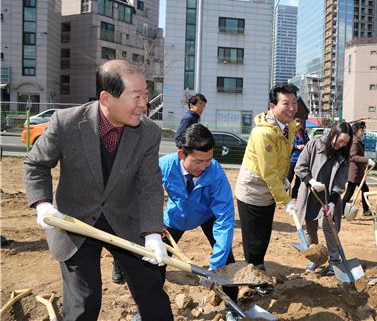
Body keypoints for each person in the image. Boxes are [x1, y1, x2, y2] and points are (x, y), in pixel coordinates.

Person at [24, 59, 172, 321]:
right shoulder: (66, 123)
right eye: (136, 96)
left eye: (146, 96)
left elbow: (149, 184)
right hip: (75, 221)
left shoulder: (149, 132)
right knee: (85, 300)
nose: (143, 104)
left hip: (125, 221)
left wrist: (151, 233)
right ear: (106, 98)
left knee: (151, 291)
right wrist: (42, 204)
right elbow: (36, 164)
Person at [160, 123, 238, 320]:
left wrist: (215, 263)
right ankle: (147, 309)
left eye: (208, 160)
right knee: (155, 260)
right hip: (175, 217)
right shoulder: (165, 165)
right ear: (181, 155)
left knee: (227, 261)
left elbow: (224, 216)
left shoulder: (215, 172)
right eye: (198, 161)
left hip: (207, 214)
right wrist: (152, 227)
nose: (204, 166)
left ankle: (231, 307)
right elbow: (145, 195)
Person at [234, 83, 298, 293]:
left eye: (294, 102)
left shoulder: (289, 127)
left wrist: (284, 181)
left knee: (263, 235)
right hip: (253, 190)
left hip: (270, 190)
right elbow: (267, 171)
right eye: (285, 103)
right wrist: (286, 199)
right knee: (253, 240)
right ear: (273, 105)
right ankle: (254, 279)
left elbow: (282, 160)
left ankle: (257, 269)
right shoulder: (262, 133)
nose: (291, 108)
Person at [294, 122, 352, 274]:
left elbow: (340, 181)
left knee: (329, 227)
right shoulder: (314, 144)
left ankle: (334, 261)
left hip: (328, 196)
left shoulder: (344, 156)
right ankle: (315, 260)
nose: (341, 145)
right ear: (333, 134)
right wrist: (310, 181)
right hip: (310, 193)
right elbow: (300, 166)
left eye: (345, 143)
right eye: (340, 141)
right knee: (310, 227)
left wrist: (332, 202)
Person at [341, 121, 375, 217]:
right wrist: (366, 160)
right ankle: (340, 211)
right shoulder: (355, 141)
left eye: (363, 129)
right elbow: (352, 156)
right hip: (355, 172)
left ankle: (365, 210)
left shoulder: (357, 140)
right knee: (350, 193)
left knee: (363, 189)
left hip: (358, 172)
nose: (363, 131)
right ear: (356, 131)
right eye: (361, 129)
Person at [287, 117, 309, 199]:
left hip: (301, 159)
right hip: (293, 158)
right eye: (296, 125)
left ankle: (294, 194)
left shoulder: (304, 133)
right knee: (289, 177)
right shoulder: (291, 133)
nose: (298, 127)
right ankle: (283, 194)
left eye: (299, 125)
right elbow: (288, 144)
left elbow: (308, 142)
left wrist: (305, 146)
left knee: (299, 178)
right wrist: (297, 146)